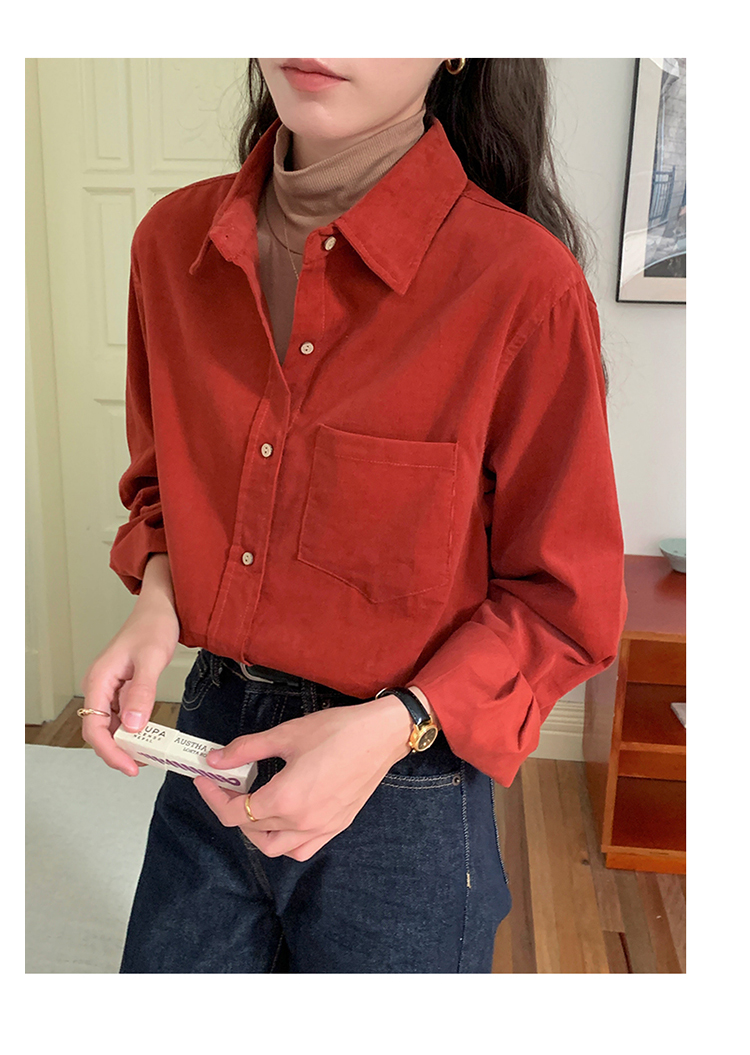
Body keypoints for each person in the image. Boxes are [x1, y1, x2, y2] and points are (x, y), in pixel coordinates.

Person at [79, 58, 627, 974]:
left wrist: (396, 725)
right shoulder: (170, 245)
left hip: (406, 781)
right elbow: (165, 486)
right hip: (209, 741)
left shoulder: (523, 285)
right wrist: (156, 601)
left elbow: (563, 601)